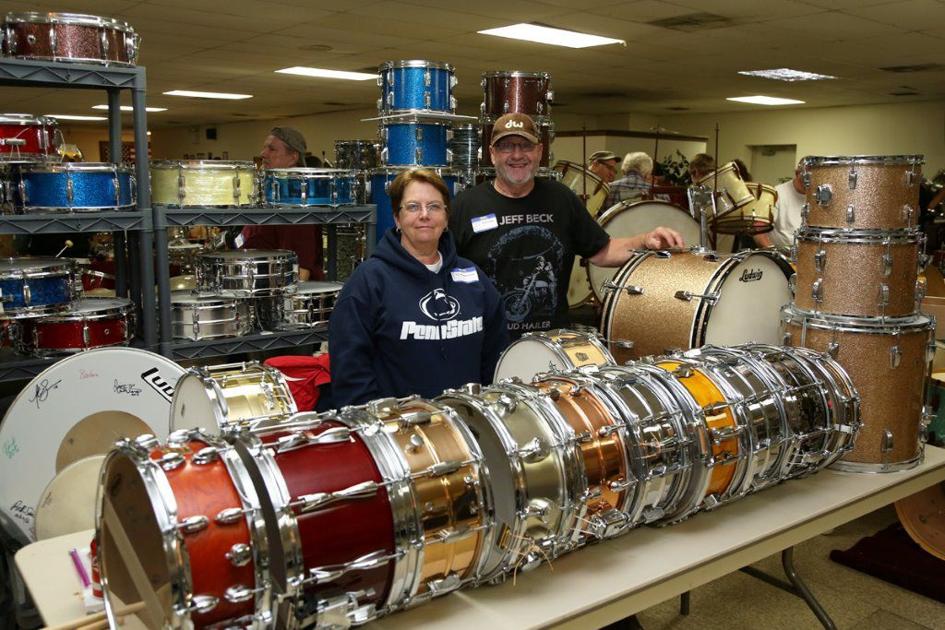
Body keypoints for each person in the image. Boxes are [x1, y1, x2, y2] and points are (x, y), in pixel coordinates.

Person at [450, 113, 684, 338]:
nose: (517, 154)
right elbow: (443, 269)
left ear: (540, 151)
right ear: (492, 154)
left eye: (526, 146)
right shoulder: (466, 204)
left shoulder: (560, 198)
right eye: (506, 146)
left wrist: (644, 241)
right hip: (485, 340)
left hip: (549, 342)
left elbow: (603, 251)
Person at [329, 168, 508, 406]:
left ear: (446, 218)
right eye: (413, 207)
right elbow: (349, 369)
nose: (424, 215)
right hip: (400, 432)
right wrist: (380, 423)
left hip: (467, 428)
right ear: (396, 218)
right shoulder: (370, 280)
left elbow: (495, 352)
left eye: (434, 206)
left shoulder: (473, 277)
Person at [236, 126, 323, 280]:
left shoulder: (295, 203)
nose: (263, 154)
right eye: (264, 148)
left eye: (272, 149)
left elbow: (300, 271)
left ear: (293, 157)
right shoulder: (270, 197)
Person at [754, 161, 806, 251]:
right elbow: (758, 229)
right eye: (806, 178)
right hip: (783, 256)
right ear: (797, 173)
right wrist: (775, 254)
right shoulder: (777, 193)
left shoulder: (816, 196)